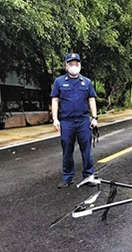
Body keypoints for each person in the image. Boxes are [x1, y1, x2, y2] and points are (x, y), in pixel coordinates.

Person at [50, 53, 98, 188]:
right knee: (67, 150)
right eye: (71, 64)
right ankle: (67, 177)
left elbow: (91, 99)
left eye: (76, 63)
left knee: (86, 150)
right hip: (66, 121)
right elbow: (55, 100)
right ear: (66, 66)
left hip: (83, 120)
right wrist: (55, 119)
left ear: (80, 65)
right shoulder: (59, 82)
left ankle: (88, 176)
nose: (74, 66)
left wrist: (94, 117)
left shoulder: (86, 82)